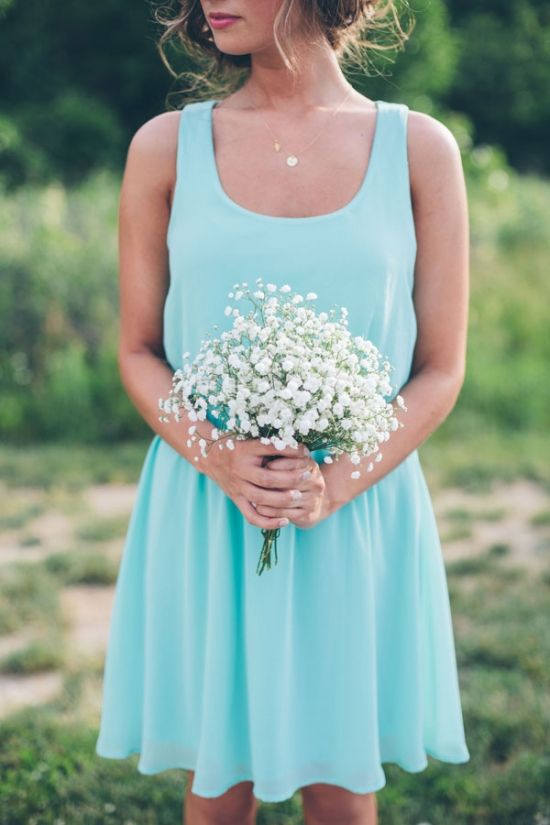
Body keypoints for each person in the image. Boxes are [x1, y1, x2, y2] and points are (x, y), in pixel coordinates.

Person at [95, 1, 471, 823]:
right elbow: (136, 349)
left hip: (356, 505)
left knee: (343, 789)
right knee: (217, 786)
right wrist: (220, 455)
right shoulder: (165, 149)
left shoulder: (419, 151)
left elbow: (442, 368)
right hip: (210, 501)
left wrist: (335, 484)